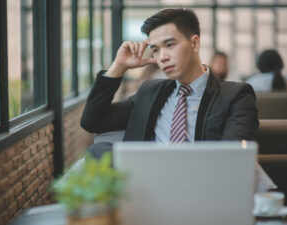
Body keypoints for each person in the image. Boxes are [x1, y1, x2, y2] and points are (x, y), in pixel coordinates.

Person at [80, 7, 275, 192]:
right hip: (145, 190)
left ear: (194, 43)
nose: (162, 57)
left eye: (170, 45)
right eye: (155, 50)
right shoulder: (149, 92)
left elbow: (234, 158)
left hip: (202, 188)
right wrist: (118, 67)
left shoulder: (235, 95)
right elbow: (93, 121)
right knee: (98, 151)